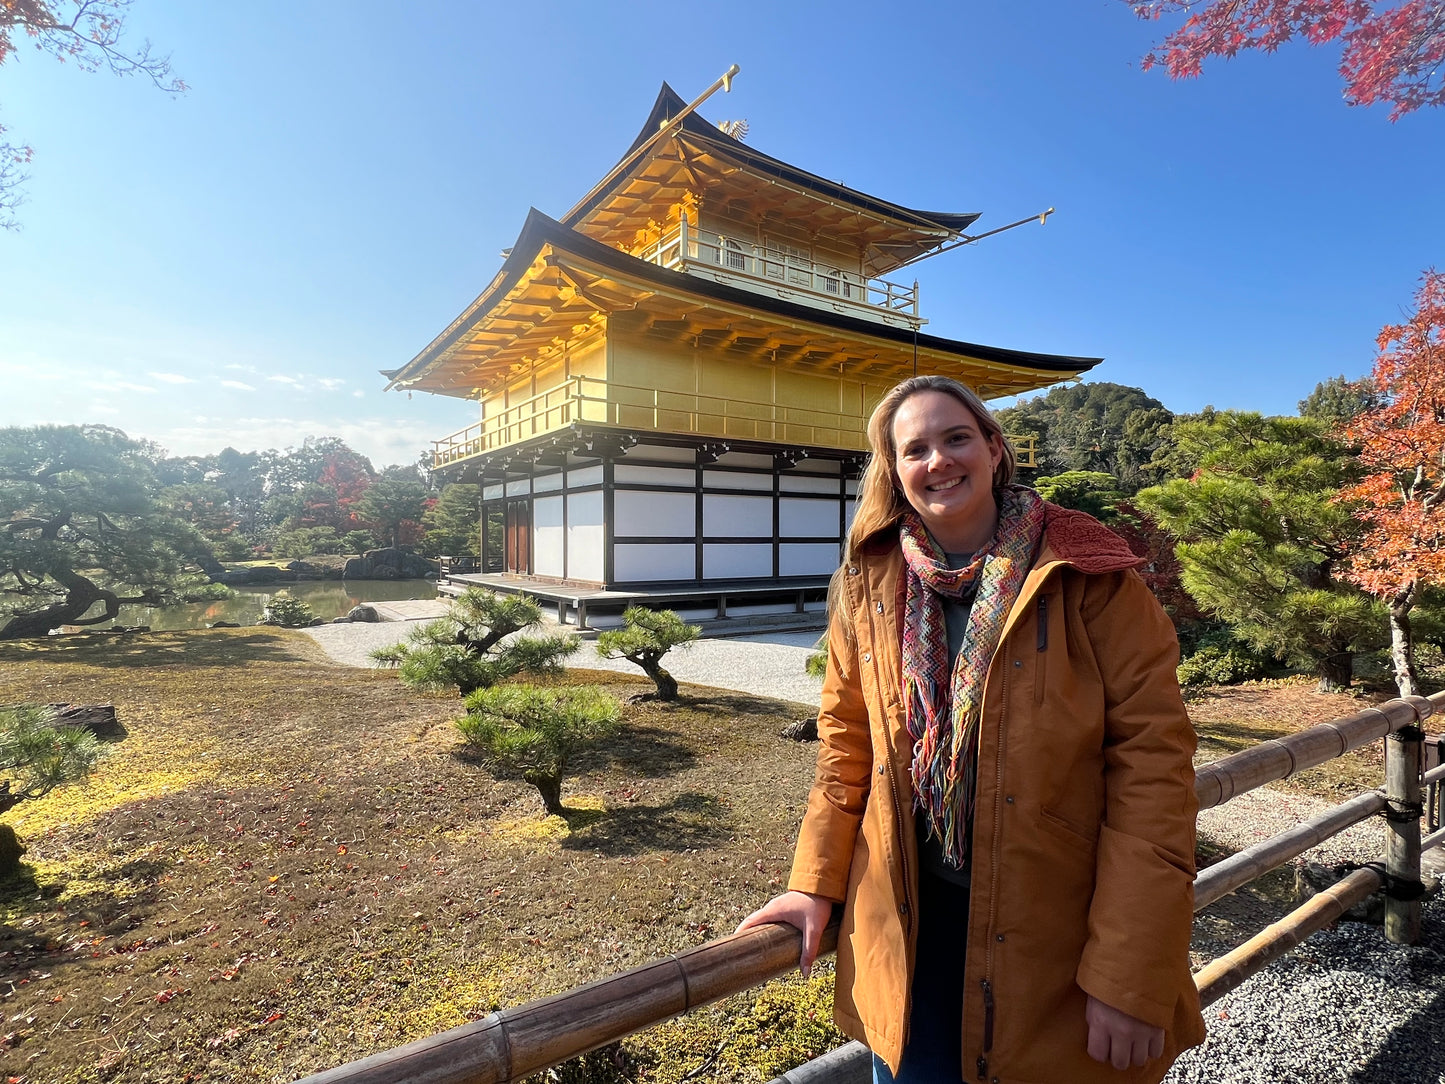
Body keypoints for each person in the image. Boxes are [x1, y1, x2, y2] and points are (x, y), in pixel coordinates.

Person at [737, 376, 1205, 1083]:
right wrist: (813, 884)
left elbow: (1152, 776)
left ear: (992, 448)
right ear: (893, 470)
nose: (937, 461)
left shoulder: (1088, 577)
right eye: (913, 448)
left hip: (1058, 929)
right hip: (910, 923)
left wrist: (1128, 970)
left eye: (955, 438)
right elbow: (845, 752)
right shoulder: (870, 583)